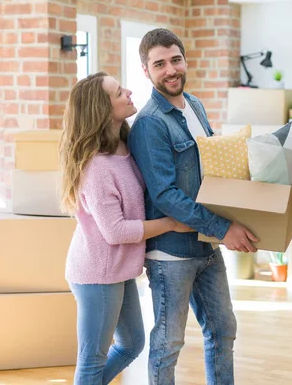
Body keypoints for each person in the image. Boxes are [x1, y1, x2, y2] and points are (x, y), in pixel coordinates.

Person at [127, 28, 259, 385]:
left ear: (185, 60)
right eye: (159, 64)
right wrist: (224, 227)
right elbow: (166, 195)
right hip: (171, 255)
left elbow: (210, 169)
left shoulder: (195, 104)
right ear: (146, 70)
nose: (170, 70)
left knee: (223, 329)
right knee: (169, 342)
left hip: (205, 245)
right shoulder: (150, 124)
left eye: (175, 60)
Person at [59, 71, 192, 385]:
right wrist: (172, 223)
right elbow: (115, 231)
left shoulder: (124, 146)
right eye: (119, 92)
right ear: (102, 110)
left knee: (132, 343)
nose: (129, 92)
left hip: (117, 270)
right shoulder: (97, 167)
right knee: (92, 360)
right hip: (97, 274)